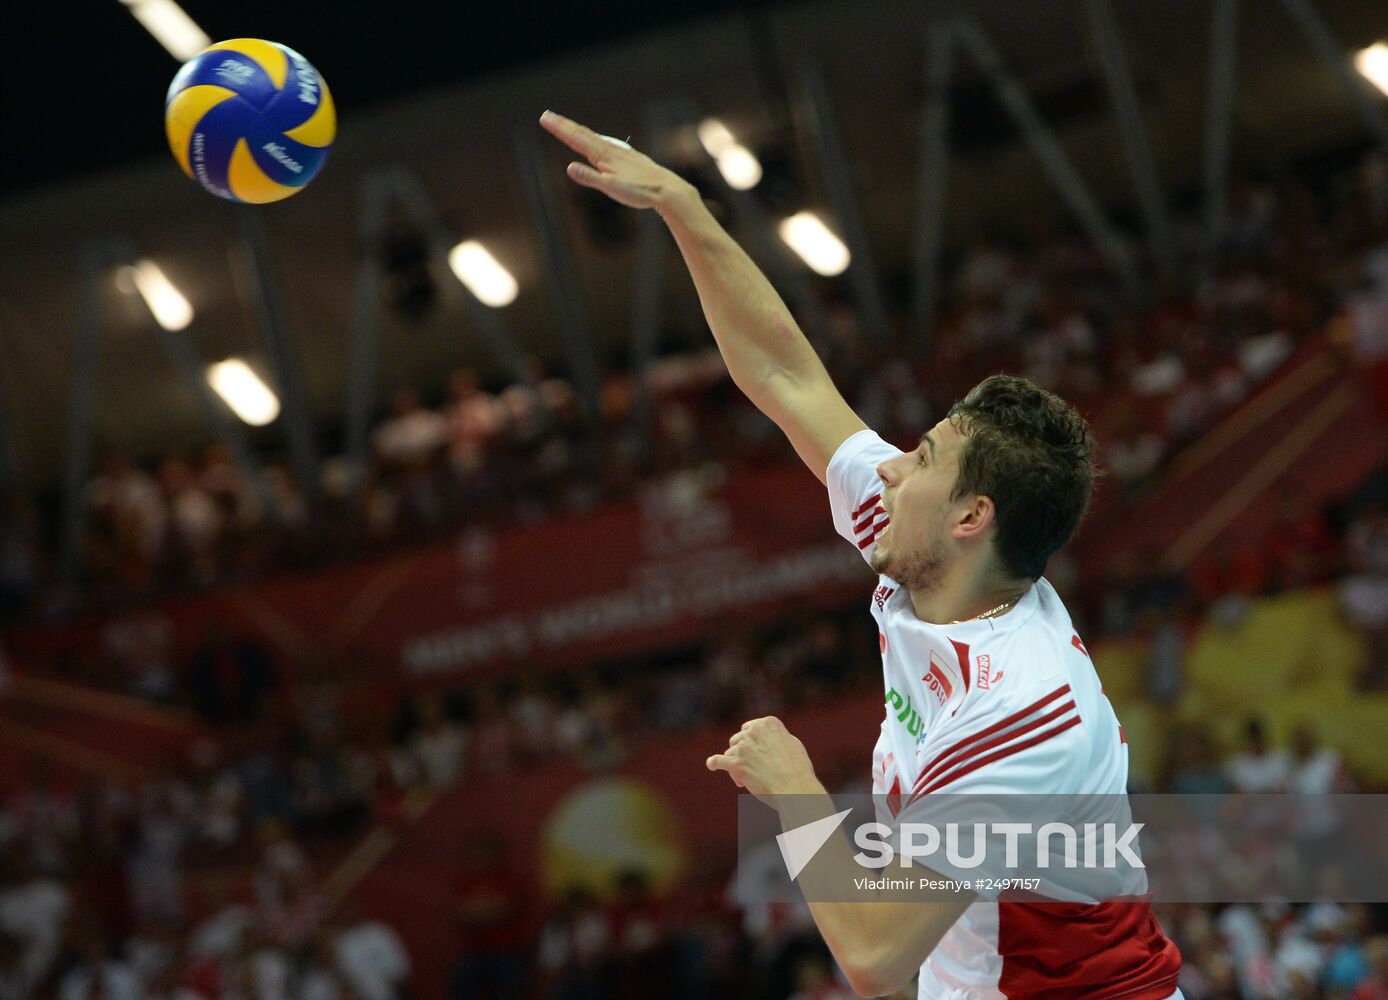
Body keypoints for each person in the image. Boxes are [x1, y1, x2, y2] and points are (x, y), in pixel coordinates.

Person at [540, 110, 1183, 998]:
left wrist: (798, 794)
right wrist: (688, 212)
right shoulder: (927, 547)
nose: (886, 466)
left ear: (971, 517)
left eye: (919, 457)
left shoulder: (1022, 713)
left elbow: (877, 958)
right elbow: (784, 375)